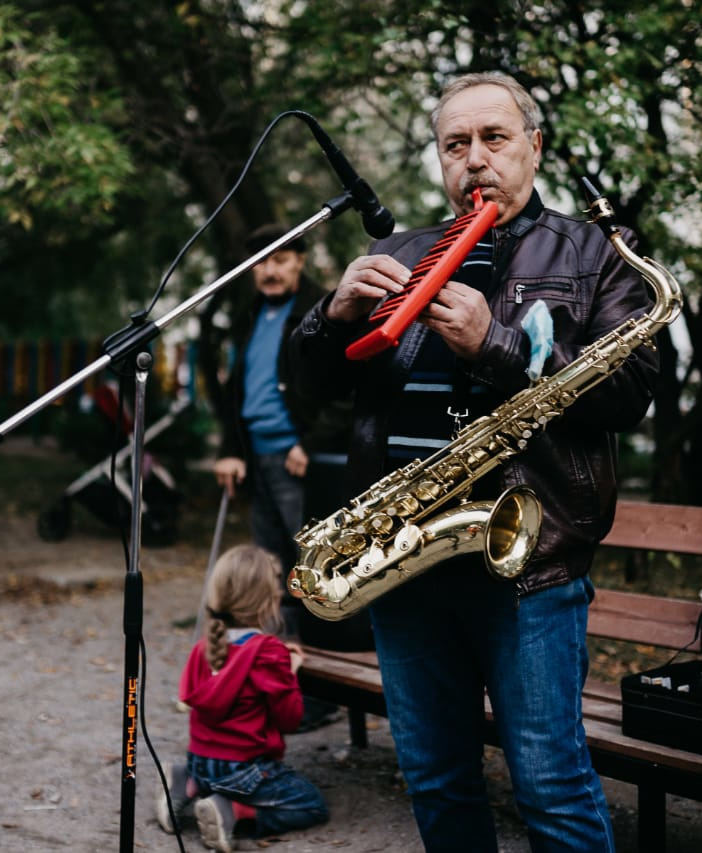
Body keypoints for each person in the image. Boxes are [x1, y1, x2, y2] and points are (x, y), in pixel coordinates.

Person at [288, 72, 660, 851]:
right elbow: (309, 384)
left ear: (534, 145)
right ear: (439, 159)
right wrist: (332, 313)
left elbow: (628, 391)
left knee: (550, 787)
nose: (475, 159)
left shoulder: (598, 252)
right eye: (455, 144)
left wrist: (497, 345)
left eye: (494, 138)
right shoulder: (399, 250)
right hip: (405, 560)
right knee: (435, 779)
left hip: (531, 564)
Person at [213, 225, 364, 721]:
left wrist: (311, 442)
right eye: (261, 261)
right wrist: (230, 449)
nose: (270, 269)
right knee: (267, 578)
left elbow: (351, 386)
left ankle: (319, 696)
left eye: (281, 259)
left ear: (300, 261)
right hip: (257, 460)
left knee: (312, 575)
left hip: (303, 462)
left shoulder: (325, 308)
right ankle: (271, 686)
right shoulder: (247, 315)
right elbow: (233, 393)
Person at [157, 544, 329, 852]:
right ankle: (233, 811)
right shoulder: (268, 652)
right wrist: (290, 671)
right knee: (312, 804)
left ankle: (188, 782)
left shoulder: (204, 647)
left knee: (211, 775)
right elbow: (290, 719)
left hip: (200, 760)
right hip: (243, 772)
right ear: (268, 600)